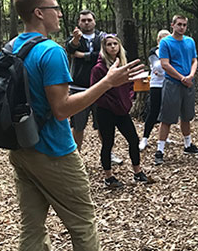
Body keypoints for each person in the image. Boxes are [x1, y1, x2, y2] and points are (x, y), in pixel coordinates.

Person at [8, 0, 142, 250]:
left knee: (32, 228)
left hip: (21, 147)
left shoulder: (12, 46)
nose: (59, 13)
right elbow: (62, 109)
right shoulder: (51, 51)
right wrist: (107, 82)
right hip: (54, 152)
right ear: (38, 13)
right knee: (83, 224)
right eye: (54, 8)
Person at [91, 34, 152, 188]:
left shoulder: (124, 66)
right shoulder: (98, 68)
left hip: (122, 111)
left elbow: (130, 86)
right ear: (104, 48)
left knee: (133, 139)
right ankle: (108, 177)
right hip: (105, 111)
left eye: (115, 44)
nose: (112, 47)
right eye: (109, 44)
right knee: (108, 143)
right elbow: (96, 92)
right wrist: (112, 103)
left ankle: (138, 172)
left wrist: (128, 99)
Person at [65, 10, 111, 157]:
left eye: (89, 20)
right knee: (78, 125)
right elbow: (70, 49)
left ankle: (107, 153)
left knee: (103, 124)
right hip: (79, 88)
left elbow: (107, 53)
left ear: (94, 21)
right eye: (83, 20)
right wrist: (76, 42)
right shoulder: (74, 38)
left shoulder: (102, 37)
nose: (86, 23)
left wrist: (82, 55)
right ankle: (75, 155)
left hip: (100, 87)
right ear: (79, 22)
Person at [155, 15, 198, 165]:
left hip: (188, 83)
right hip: (173, 83)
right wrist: (182, 77)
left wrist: (191, 75)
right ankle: (160, 150)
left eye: (184, 25)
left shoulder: (190, 41)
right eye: (179, 24)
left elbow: (194, 60)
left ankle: (188, 145)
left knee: (187, 115)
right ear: (172, 25)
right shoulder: (166, 42)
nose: (182, 27)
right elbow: (165, 64)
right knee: (167, 117)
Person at [139, 29, 170, 151]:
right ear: (159, 39)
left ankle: (164, 136)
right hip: (156, 84)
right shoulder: (154, 52)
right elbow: (157, 67)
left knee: (166, 111)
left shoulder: (171, 51)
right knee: (153, 111)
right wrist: (166, 69)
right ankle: (145, 138)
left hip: (169, 84)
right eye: (163, 38)